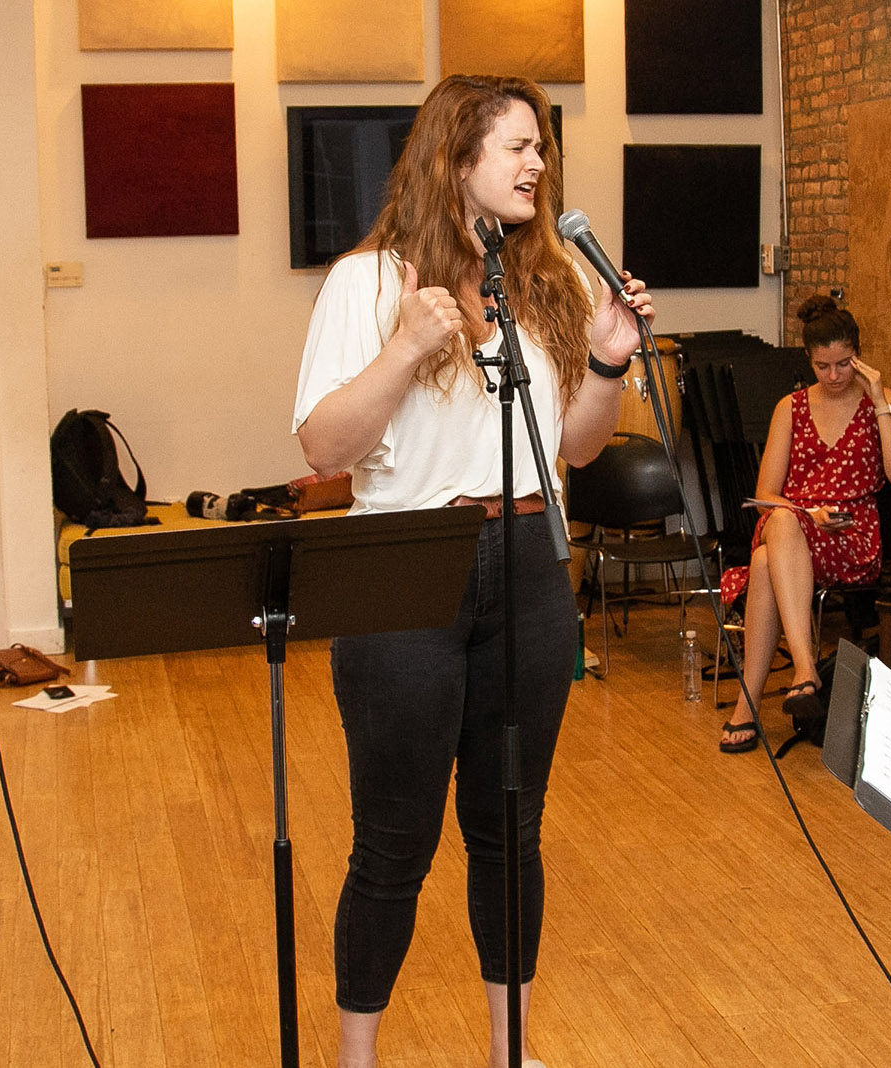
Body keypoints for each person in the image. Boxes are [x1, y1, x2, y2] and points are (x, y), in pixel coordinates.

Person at [290, 74, 653, 1068]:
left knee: (508, 831)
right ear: (455, 160)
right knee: (393, 846)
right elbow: (325, 446)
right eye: (516, 148)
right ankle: (355, 1059)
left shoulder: (551, 282)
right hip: (406, 566)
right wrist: (407, 349)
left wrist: (611, 365)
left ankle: (510, 1051)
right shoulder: (368, 282)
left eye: (540, 148)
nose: (538, 164)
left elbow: (574, 450)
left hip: (531, 566)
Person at [717, 295, 891, 753]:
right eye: (823, 366)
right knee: (781, 525)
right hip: (798, 524)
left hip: (852, 534)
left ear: (860, 358)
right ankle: (805, 672)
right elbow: (766, 491)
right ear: (809, 359)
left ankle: (751, 703)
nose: (833, 376)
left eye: (844, 365)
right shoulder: (790, 407)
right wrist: (807, 513)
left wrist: (881, 403)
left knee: (767, 561)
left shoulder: (880, 402)